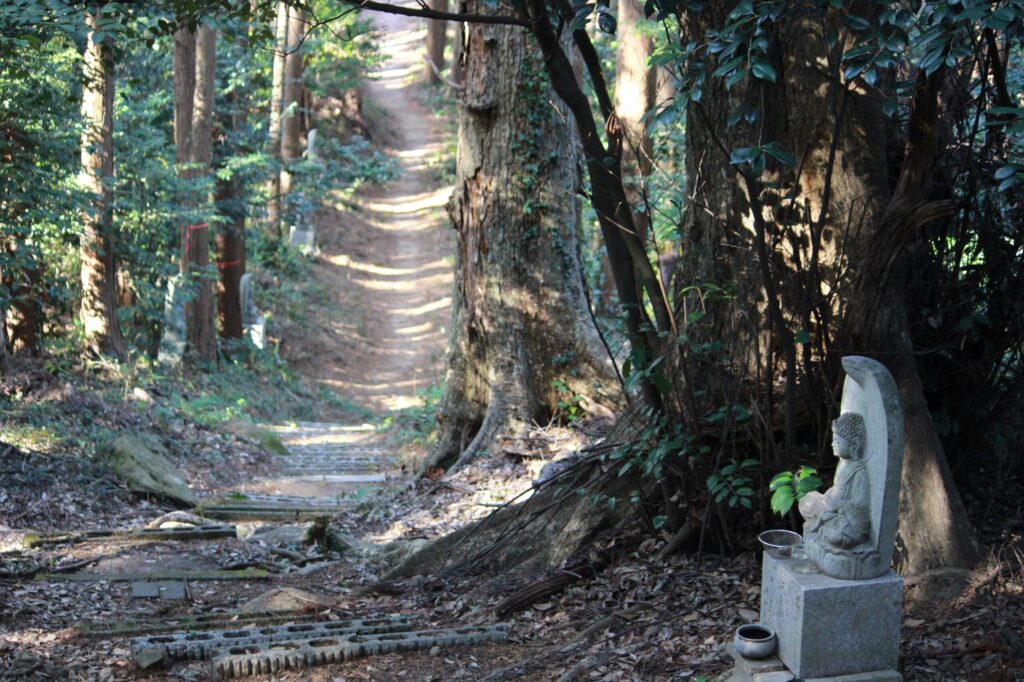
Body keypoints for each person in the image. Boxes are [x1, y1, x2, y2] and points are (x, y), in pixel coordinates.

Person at [799, 412, 871, 549]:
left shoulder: (859, 472)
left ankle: (824, 528)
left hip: (845, 517)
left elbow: (861, 505)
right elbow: (836, 489)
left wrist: (838, 508)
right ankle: (823, 523)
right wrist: (826, 499)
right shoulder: (843, 463)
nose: (832, 444)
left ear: (854, 444)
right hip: (831, 505)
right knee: (806, 502)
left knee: (834, 535)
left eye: (837, 441)